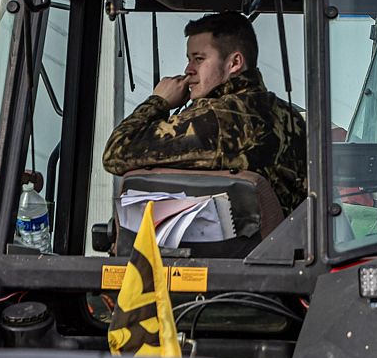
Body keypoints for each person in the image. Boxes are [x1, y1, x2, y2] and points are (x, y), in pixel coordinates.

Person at [102, 11, 307, 211]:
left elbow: (116, 153)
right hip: (284, 243)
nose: (188, 69)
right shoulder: (290, 117)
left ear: (234, 63)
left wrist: (159, 102)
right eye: (189, 59)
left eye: (198, 59)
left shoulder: (216, 118)